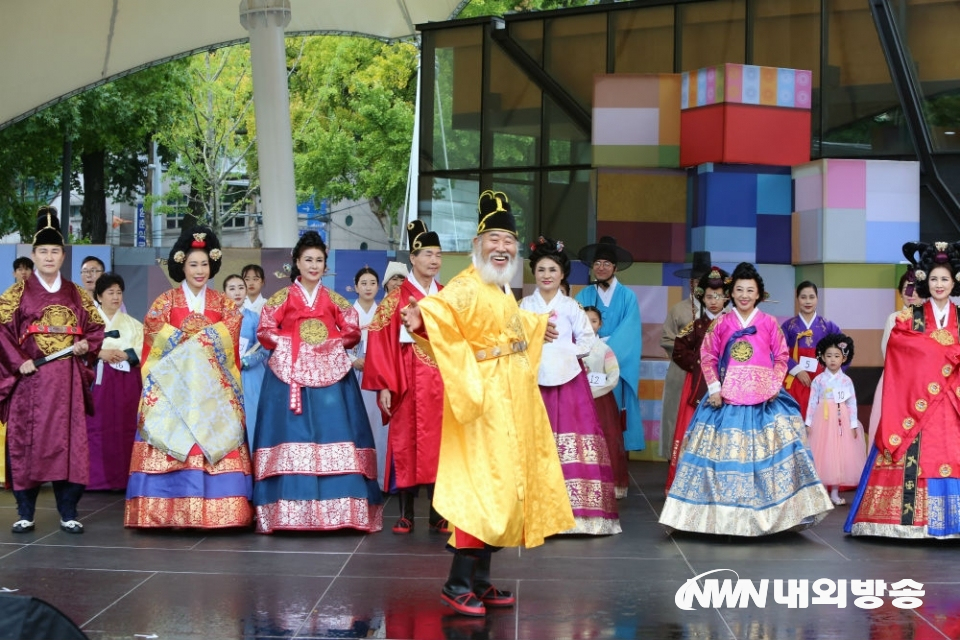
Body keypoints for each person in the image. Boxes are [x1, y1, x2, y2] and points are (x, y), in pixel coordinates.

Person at [401, 190, 574, 617]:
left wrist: (536, 328)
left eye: (508, 241)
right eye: (494, 239)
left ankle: (479, 579)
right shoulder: (467, 283)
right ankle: (457, 582)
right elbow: (441, 309)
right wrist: (423, 317)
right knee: (482, 488)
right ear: (478, 246)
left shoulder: (499, 290)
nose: (502, 247)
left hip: (513, 401)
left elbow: (506, 332)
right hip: (483, 402)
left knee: (505, 488)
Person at [659, 262, 833, 536]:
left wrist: (775, 384)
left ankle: (776, 516)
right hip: (727, 398)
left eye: (749, 290)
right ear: (732, 294)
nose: (743, 295)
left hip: (765, 397)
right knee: (722, 458)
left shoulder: (769, 323)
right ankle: (717, 518)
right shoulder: (722, 323)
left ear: (759, 294)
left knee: (774, 455)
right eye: (739, 290)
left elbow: (782, 356)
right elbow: (708, 356)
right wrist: (714, 388)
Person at [253, 231, 383, 533]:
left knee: (334, 431)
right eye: (308, 260)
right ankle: (288, 512)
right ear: (296, 263)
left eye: (319, 260)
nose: (313, 265)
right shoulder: (282, 297)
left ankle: (342, 510)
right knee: (292, 435)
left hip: (330, 377)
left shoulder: (333, 298)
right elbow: (265, 330)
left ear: (326, 265)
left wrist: (328, 342)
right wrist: (293, 342)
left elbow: (351, 328)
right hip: (290, 375)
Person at [125, 225, 253, 529]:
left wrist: (203, 340)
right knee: (174, 439)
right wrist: (188, 342)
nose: (199, 270)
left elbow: (232, 327)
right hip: (174, 390)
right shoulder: (165, 302)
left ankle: (223, 512)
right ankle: (164, 512)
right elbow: (154, 327)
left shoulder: (223, 304)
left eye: (204, 264)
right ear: (182, 265)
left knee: (214, 439)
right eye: (193, 264)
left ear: (213, 267)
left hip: (212, 392)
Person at [0, 206, 105, 534]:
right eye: (42, 251)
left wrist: (87, 344)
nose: (48, 257)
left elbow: (96, 327)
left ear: (63, 256)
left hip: (67, 384)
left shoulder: (76, 293)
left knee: (68, 445)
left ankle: (68, 511)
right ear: (33, 255)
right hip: (30, 380)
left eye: (55, 251)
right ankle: (26, 512)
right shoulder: (16, 293)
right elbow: (2, 332)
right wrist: (20, 361)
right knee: (24, 442)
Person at [846, 241, 960, 539]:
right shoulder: (907, 319)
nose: (939, 285)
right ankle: (907, 523)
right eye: (933, 278)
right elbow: (898, 353)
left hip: (953, 401)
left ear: (954, 282)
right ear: (925, 280)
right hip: (917, 400)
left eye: (944, 279)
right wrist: (943, 356)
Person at [520, 237, 620, 535]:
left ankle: (578, 517)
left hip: (569, 381)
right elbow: (514, 341)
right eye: (541, 270)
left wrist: (566, 351)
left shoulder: (572, 307)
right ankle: (533, 515)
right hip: (534, 381)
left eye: (552, 269)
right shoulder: (524, 305)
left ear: (562, 274)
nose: (547, 275)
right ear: (534, 274)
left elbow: (588, 340)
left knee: (574, 442)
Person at [363, 221, 446, 534]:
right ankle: (407, 512)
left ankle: (439, 512)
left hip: (442, 384)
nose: (434, 260)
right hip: (407, 381)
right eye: (427, 254)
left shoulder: (445, 296)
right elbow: (379, 341)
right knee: (406, 444)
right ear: (413, 258)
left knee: (441, 447)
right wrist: (384, 384)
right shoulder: (395, 298)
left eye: (438, 254)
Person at [664, 266, 729, 493]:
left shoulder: (731, 324)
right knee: (691, 431)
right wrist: (702, 364)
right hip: (698, 386)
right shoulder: (696, 325)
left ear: (726, 298)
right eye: (709, 296)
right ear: (702, 297)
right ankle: (688, 483)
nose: (713, 301)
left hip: (728, 387)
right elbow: (679, 351)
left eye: (718, 296)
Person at [576, 237, 643, 451]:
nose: (601, 268)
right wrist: (589, 350)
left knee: (613, 413)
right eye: (597, 263)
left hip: (614, 363)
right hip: (588, 362)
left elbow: (630, 332)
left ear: (615, 267)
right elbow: (574, 327)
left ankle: (616, 462)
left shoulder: (627, 296)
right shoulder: (583, 295)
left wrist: (604, 349)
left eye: (606, 263)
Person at [87, 273, 143, 491]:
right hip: (97, 380)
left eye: (119, 292)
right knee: (96, 427)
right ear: (99, 296)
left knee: (125, 426)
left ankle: (123, 478)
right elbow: (80, 347)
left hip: (126, 381)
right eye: (110, 292)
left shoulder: (133, 324)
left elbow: (143, 348)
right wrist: (101, 353)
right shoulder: (89, 322)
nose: (116, 297)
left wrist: (126, 354)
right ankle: (95, 478)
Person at [659, 251, 711, 460]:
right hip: (681, 370)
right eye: (696, 279)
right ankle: (675, 457)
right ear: (690, 283)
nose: (699, 284)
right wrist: (691, 358)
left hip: (710, 373)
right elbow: (666, 339)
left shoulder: (721, 312)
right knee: (676, 414)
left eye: (704, 280)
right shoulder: (678, 310)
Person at [805, 333, 865, 506]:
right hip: (822, 419)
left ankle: (835, 493)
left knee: (838, 454)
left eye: (837, 356)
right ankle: (821, 493)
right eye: (829, 356)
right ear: (822, 357)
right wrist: (808, 422)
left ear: (844, 358)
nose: (832, 360)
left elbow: (852, 402)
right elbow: (812, 401)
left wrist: (853, 423)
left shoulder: (846, 380)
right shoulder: (818, 379)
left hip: (841, 419)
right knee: (822, 453)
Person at [867, 267, 923, 444]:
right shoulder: (894, 318)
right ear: (900, 293)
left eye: (915, 288)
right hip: (895, 379)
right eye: (906, 288)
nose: (910, 293)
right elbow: (887, 351)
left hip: (923, 381)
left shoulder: (931, 318)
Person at [583, 306, 628, 499]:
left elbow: (613, 377)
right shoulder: (571, 347)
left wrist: (591, 390)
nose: (589, 324)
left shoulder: (604, 349)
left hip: (600, 401)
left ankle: (608, 484)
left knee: (605, 440)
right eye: (585, 320)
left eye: (593, 321)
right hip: (577, 401)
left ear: (600, 324)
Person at [350, 266, 388, 491]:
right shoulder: (347, 312)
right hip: (353, 373)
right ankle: (356, 479)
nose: (368, 287)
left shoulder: (383, 313)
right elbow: (336, 343)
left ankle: (380, 479)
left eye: (372, 283)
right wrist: (352, 360)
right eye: (363, 283)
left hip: (377, 375)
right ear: (355, 287)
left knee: (378, 426)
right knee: (355, 425)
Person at [781, 281, 843, 421]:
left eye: (811, 297)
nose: (807, 301)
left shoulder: (828, 326)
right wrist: (797, 370)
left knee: (821, 422)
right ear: (797, 299)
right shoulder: (788, 326)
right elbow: (779, 351)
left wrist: (833, 374)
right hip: (794, 381)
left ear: (817, 298)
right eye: (803, 297)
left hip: (822, 382)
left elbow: (845, 350)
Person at [223, 274, 270, 452]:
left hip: (250, 376)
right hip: (224, 375)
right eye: (232, 288)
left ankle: (253, 462)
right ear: (224, 292)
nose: (237, 292)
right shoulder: (219, 320)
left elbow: (265, 347)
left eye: (241, 288)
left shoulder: (254, 318)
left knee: (251, 419)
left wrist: (246, 361)